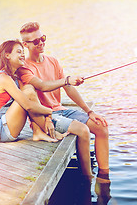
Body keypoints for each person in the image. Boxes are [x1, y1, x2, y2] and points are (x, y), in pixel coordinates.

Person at [17, 22, 110, 181]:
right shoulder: (24, 67)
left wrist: (89, 111)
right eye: (36, 41)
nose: (41, 43)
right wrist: (66, 80)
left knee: (101, 127)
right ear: (25, 45)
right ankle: (87, 178)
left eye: (43, 38)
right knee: (83, 130)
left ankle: (104, 176)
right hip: (44, 116)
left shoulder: (53, 61)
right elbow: (43, 86)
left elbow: (68, 88)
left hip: (61, 110)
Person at [0, 39, 67, 143]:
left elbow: (30, 99)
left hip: (7, 122)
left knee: (29, 89)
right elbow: (28, 106)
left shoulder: (15, 76)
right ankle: (51, 132)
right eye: (19, 52)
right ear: (7, 55)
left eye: (23, 52)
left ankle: (38, 132)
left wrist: (48, 117)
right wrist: (49, 112)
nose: (23, 55)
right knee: (27, 93)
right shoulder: (3, 78)